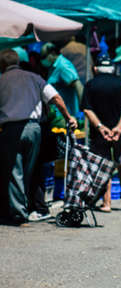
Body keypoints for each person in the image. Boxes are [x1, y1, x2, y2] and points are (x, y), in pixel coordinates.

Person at [0, 49, 77, 225]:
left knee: (14, 172)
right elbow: (56, 98)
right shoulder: (34, 78)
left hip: (11, 129)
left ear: (2, 65)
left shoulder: (1, 80)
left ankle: (19, 214)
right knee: (30, 169)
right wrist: (69, 117)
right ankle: (28, 207)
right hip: (34, 129)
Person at [81, 55, 121, 212]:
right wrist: (118, 128)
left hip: (100, 134)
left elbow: (87, 109)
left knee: (103, 167)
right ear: (112, 69)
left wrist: (100, 127)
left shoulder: (91, 85)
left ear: (96, 69)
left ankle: (107, 203)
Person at [40, 42, 84, 117]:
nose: (42, 60)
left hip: (68, 115)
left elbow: (77, 84)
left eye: (44, 56)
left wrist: (83, 108)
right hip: (58, 114)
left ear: (53, 53)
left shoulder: (63, 65)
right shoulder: (53, 67)